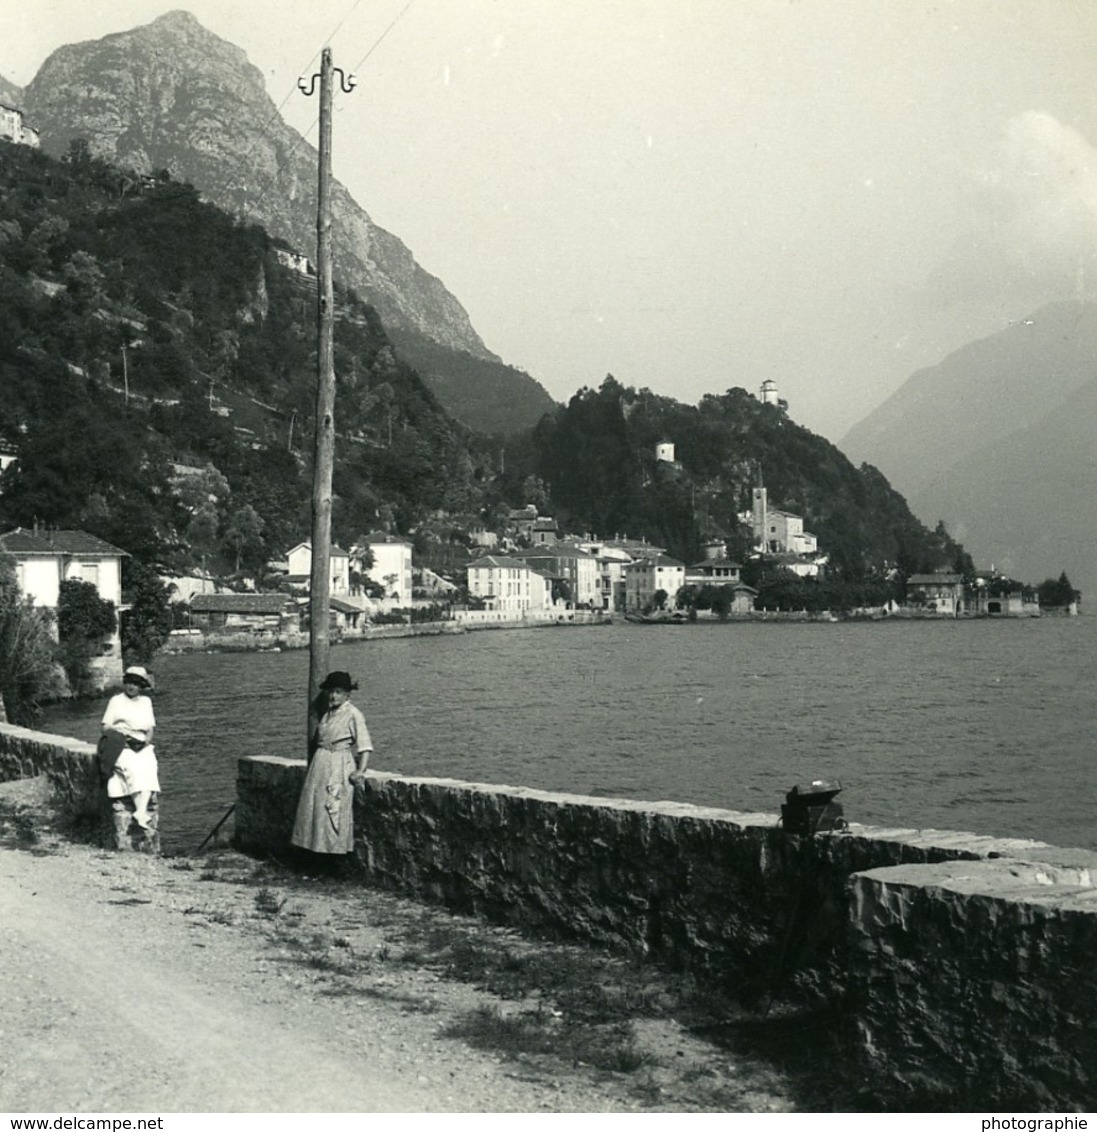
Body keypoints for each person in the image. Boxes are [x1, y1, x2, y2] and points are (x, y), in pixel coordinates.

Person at [291, 670, 373, 860]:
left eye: (338, 691)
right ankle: (315, 857)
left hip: (338, 763)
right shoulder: (328, 713)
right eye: (331, 691)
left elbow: (365, 745)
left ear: (347, 694)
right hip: (320, 765)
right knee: (315, 810)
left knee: (333, 809)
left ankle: (334, 860)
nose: (333, 695)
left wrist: (360, 771)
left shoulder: (353, 714)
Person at [99, 665, 160, 852]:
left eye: (136, 683)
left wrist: (145, 743)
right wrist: (122, 737)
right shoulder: (116, 701)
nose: (132, 686)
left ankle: (140, 812)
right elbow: (105, 727)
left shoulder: (146, 702)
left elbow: (150, 729)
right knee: (132, 767)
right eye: (129, 682)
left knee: (150, 765)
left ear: (141, 685)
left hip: (141, 743)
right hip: (121, 744)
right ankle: (141, 812)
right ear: (124, 683)